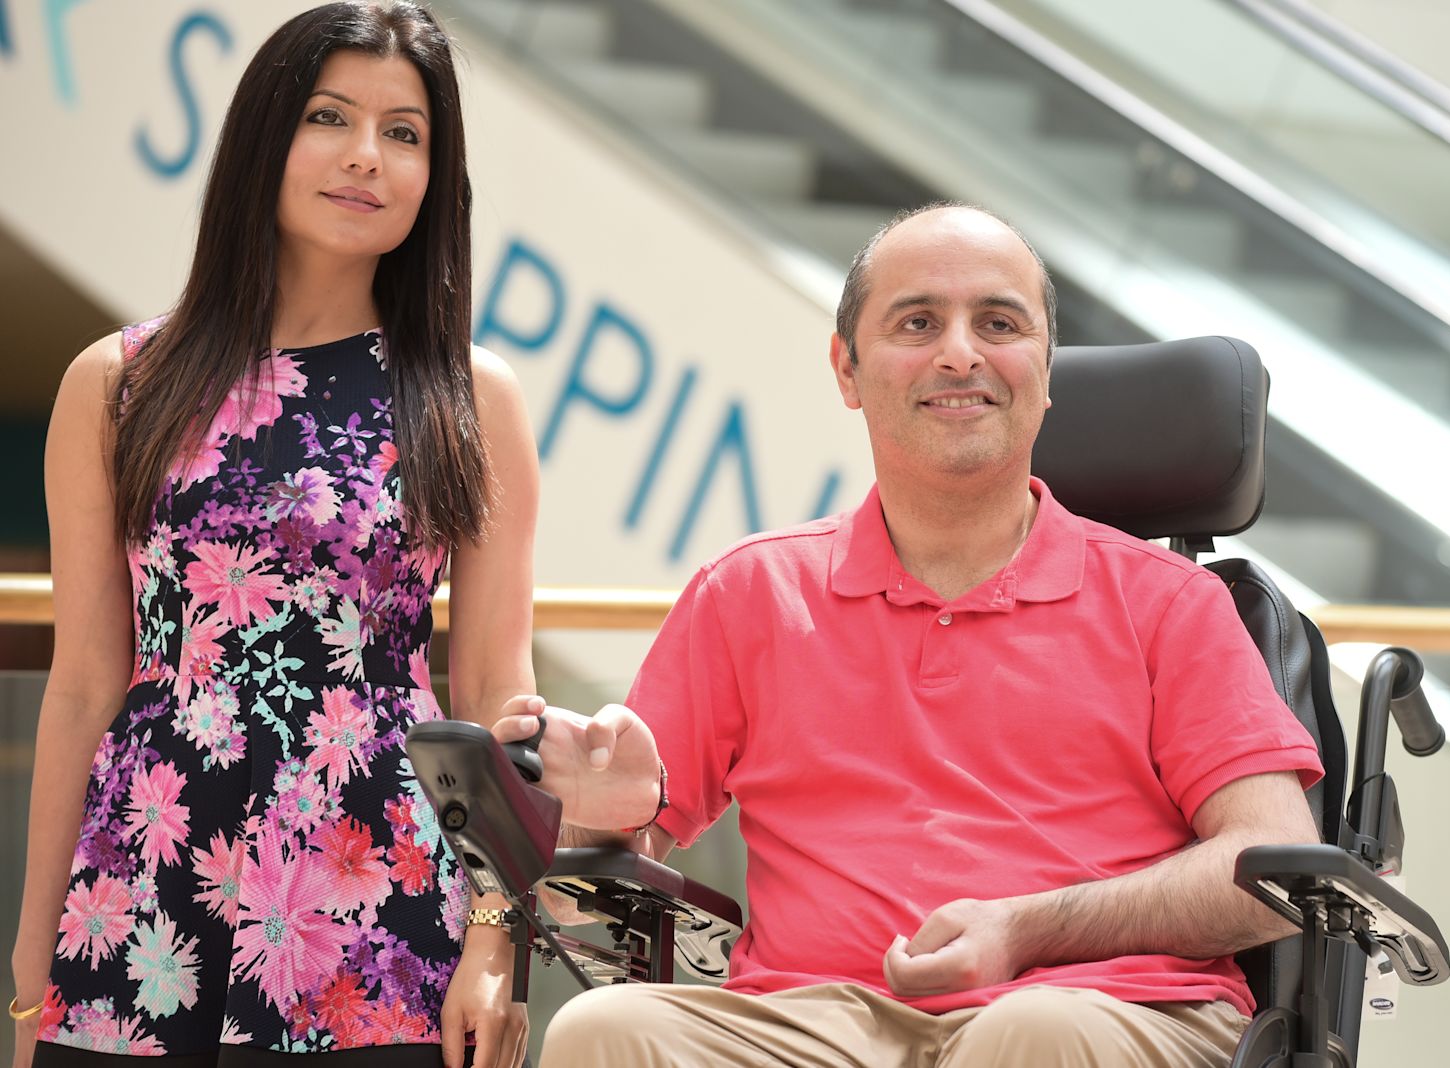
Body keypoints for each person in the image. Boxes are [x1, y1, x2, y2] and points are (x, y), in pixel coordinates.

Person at [505, 203, 1325, 1067]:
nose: (960, 353)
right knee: (605, 1032)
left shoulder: (1172, 604)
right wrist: (599, 830)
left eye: (999, 323)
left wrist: (1029, 931)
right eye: (918, 322)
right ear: (847, 368)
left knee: (1029, 1033)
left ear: (1045, 372)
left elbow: (1274, 869)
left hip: (1105, 1008)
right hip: (813, 1021)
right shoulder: (751, 593)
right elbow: (588, 893)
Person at [9, 5, 541, 1067]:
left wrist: (498, 942)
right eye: (328, 116)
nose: (364, 157)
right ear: (264, 138)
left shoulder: (472, 398)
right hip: (142, 880)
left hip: (378, 889)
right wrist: (31, 961)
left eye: (405, 133)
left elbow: (491, 692)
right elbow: (79, 687)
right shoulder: (117, 384)